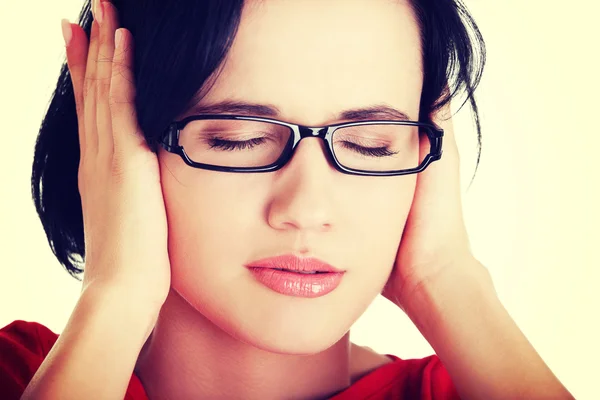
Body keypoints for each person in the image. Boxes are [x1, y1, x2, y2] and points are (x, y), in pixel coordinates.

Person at [0, 0, 574, 399]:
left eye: (371, 145)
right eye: (238, 139)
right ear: (113, 145)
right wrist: (115, 297)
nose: (307, 207)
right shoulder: (25, 377)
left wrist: (449, 280)